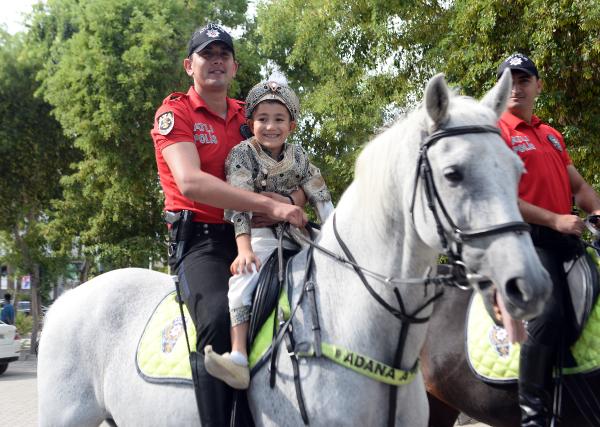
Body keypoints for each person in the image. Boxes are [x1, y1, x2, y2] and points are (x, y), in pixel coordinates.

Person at [150, 23, 307, 426]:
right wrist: (264, 204)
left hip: (261, 235)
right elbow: (191, 181)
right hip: (201, 241)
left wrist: (288, 202)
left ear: (235, 66)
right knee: (219, 317)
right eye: (207, 54)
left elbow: (299, 171)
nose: (216, 61)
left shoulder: (251, 116)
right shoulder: (175, 113)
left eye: (223, 54)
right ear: (190, 65)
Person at [203, 81, 334, 389]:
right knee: (242, 282)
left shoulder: (299, 157)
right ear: (250, 124)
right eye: (262, 119)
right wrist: (244, 249)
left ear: (291, 125)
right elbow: (239, 205)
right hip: (259, 237)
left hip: (298, 236)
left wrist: (332, 237)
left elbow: (320, 194)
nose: (270, 126)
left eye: (278, 119)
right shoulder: (241, 155)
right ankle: (237, 353)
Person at [496, 53, 600, 427]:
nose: (516, 87)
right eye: (509, 81)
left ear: (538, 86)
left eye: (524, 80)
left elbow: (580, 187)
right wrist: (555, 219)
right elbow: (502, 197)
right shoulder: (497, 133)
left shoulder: (551, 134)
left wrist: (597, 211)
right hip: (529, 243)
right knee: (549, 314)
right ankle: (534, 415)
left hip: (568, 242)